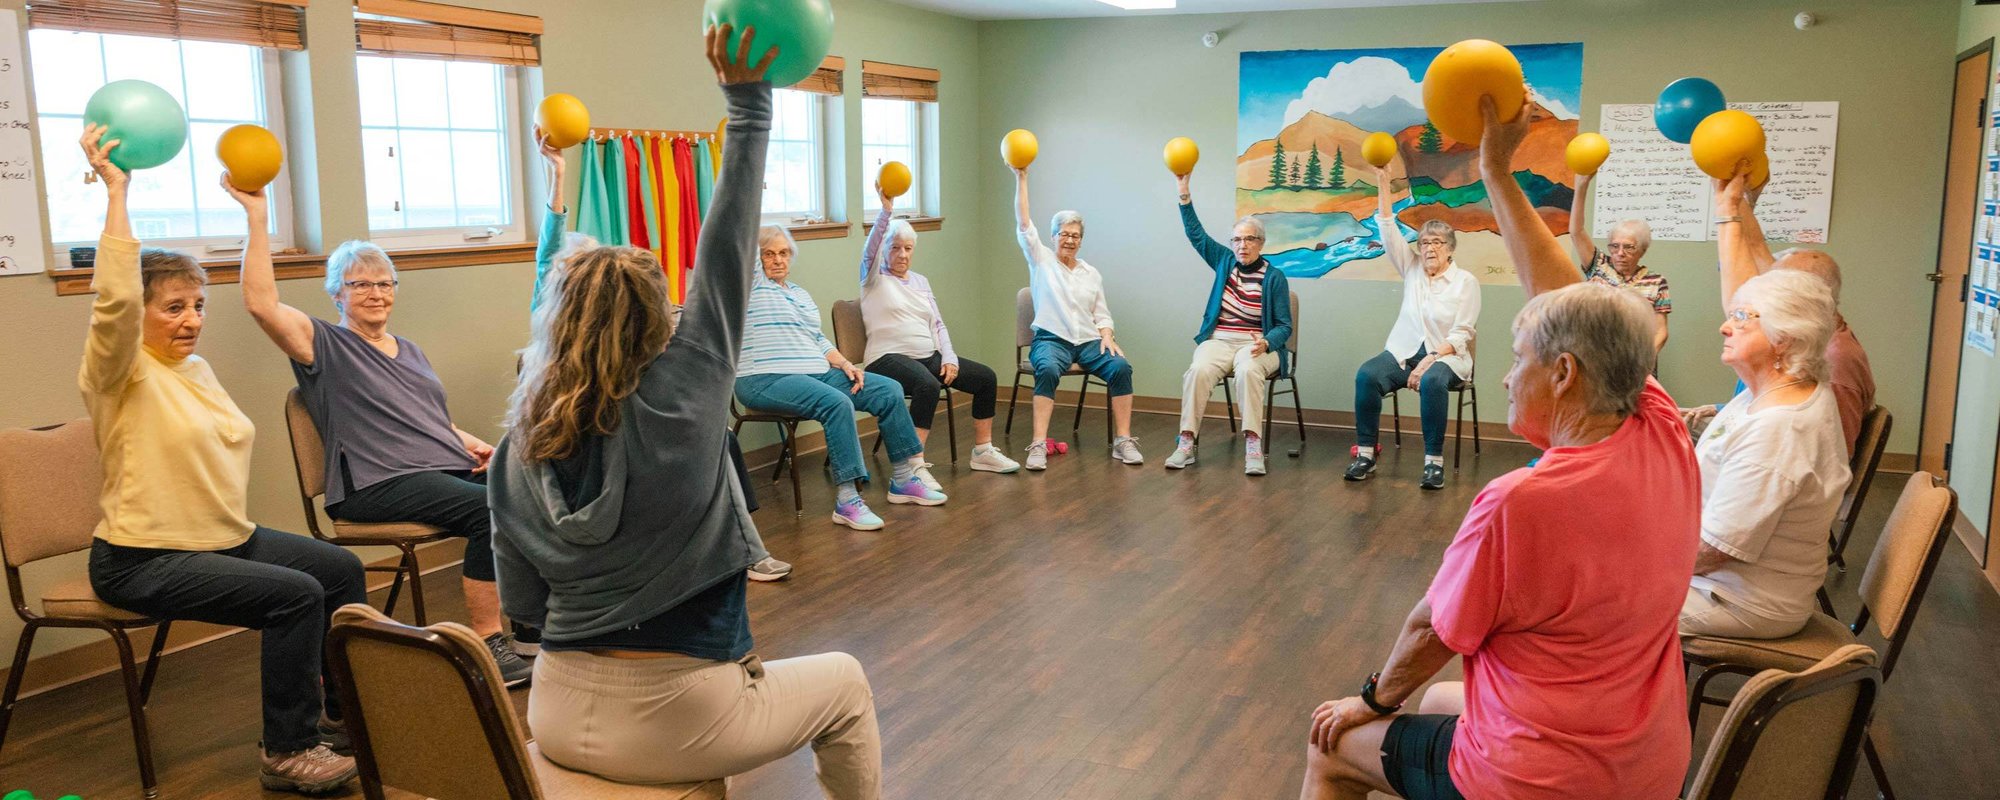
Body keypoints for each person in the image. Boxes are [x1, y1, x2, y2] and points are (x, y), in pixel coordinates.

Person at [490, 27, 879, 796]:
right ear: (655, 322)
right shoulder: (684, 393)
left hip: (557, 710)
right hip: (682, 712)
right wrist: (749, 103)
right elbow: (730, 241)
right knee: (846, 685)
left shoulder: (516, 443)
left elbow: (523, 614)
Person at [1300, 93, 1699, 800]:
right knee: (1440, 703)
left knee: (1334, 742)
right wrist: (1495, 168)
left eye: (1519, 357)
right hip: (1648, 763)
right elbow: (1569, 300)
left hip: (1539, 781)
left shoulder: (1519, 501)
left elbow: (1431, 630)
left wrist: (1369, 700)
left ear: (1566, 372)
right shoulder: (1661, 428)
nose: (1509, 374)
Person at [77, 125, 365, 794]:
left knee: (340, 568)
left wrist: (256, 216)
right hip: (140, 557)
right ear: (141, 316)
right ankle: (286, 752)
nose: (191, 320)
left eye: (198, 305)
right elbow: (114, 301)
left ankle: (341, 717)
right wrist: (118, 192)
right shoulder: (118, 373)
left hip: (221, 540)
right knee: (294, 595)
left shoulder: (196, 369)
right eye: (173, 308)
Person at [227, 191, 532, 687]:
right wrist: (258, 216)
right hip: (375, 483)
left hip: (432, 467)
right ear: (336, 294)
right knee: (491, 509)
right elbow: (261, 304)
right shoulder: (323, 343)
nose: (375, 292)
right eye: (360, 284)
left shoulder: (408, 349)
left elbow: (427, 416)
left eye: (384, 282)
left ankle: (532, 626)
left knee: (526, 487)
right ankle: (489, 642)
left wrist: (472, 443)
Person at [533, 128, 791, 584]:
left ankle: (740, 545)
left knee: (719, 438)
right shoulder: (548, 304)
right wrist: (557, 176)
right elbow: (550, 249)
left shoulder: (622, 315)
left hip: (633, 412)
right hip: (590, 421)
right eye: (581, 268)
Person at [1680, 173, 1850, 640]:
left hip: (1738, 600)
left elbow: (1714, 550)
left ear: (1784, 338)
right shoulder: (1771, 389)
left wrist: (1625, 558)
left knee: (1576, 600)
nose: (1724, 326)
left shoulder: (1780, 428)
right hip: (1719, 581)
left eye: (1741, 318)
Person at [734, 220, 947, 530]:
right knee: (836, 403)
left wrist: (845, 363)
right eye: (768, 254)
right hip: (764, 377)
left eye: (783, 253)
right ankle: (847, 500)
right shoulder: (750, 287)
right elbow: (740, 245)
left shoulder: (799, 294)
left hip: (815, 372)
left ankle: (903, 479)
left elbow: (817, 339)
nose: (777, 260)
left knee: (888, 390)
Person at [1680, 178, 1876, 458]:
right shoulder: (1812, 332)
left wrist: (1728, 212)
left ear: (1799, 298)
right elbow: (1757, 250)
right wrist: (1736, 200)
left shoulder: (1835, 362)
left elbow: (1830, 454)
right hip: (1749, 419)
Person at [857, 184, 1019, 475]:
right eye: (895, 248)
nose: (902, 254)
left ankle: (982, 451)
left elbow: (938, 324)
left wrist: (949, 357)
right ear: (884, 250)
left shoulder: (921, 281)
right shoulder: (873, 278)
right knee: (927, 385)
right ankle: (913, 465)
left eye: (907, 249)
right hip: (886, 357)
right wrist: (885, 212)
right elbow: (870, 248)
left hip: (927, 355)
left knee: (985, 378)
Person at [1344, 166, 1481, 490]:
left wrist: (1431, 358)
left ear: (1450, 248)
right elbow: (1387, 227)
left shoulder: (1466, 282)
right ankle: (1365, 454)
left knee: (1433, 380)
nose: (1429, 248)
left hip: (1447, 359)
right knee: (1367, 374)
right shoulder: (1413, 268)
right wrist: (1381, 180)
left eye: (1436, 242)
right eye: (1423, 242)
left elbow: (1462, 333)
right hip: (1404, 352)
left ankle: (1433, 463)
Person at [1010, 165, 1142, 470]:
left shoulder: (1091, 273)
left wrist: (1107, 334)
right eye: (1064, 234)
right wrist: (1022, 177)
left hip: (1088, 341)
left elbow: (1101, 313)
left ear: (1081, 240)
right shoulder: (1040, 260)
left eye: (1075, 235)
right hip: (1051, 340)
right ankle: (1039, 444)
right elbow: (1023, 221)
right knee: (1046, 370)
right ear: (1053, 236)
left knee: (1121, 367)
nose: (1069, 240)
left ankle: (1123, 441)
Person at [1165, 171, 1294, 476]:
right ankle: (1186, 442)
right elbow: (1196, 234)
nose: (1242, 245)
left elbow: (1284, 326)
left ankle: (1253, 445)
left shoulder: (1274, 277)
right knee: (1197, 370)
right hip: (1220, 340)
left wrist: (1266, 342)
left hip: (1257, 343)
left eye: (1249, 239)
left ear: (1260, 243)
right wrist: (1184, 192)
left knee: (1248, 370)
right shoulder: (1224, 261)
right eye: (1236, 239)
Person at [1570, 174, 1670, 352]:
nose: (1620, 253)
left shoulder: (1656, 282)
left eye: (1629, 247)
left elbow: (1661, 330)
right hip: (1595, 354)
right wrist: (1581, 186)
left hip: (1636, 357)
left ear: (1642, 250)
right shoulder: (1598, 266)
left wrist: (1644, 360)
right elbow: (1576, 231)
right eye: (1614, 246)